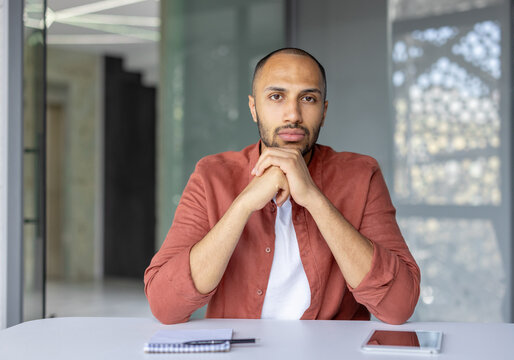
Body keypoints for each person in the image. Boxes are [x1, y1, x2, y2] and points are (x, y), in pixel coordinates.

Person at [144, 48, 420, 325]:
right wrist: (242, 206)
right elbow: (165, 305)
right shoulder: (211, 175)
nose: (293, 114)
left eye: (308, 98)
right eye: (276, 97)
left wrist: (313, 198)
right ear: (254, 108)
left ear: (323, 112)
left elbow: (398, 307)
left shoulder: (361, 175)